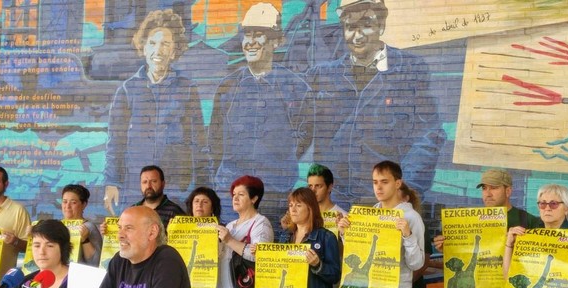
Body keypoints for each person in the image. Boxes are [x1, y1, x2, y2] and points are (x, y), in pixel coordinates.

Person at [306, 0, 444, 205]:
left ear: (381, 25)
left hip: (384, 202)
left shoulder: (409, 70)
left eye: (366, 25)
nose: (358, 35)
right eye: (351, 27)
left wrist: (407, 191)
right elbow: (299, 129)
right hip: (335, 201)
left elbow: (428, 135)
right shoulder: (324, 75)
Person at [208, 2, 313, 220]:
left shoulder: (296, 87)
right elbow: (214, 140)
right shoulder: (228, 87)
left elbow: (304, 135)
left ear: (277, 40)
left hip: (275, 193)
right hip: (232, 195)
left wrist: (278, 162)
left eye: (260, 35)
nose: (251, 42)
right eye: (247, 35)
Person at [103, 9, 208, 215]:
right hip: (136, 187)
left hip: (178, 188)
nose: (158, 50)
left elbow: (199, 144)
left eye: (165, 44)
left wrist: (205, 189)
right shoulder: (127, 89)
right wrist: (112, 182)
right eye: (152, 43)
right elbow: (115, 142)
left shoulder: (187, 88)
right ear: (143, 46)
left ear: (174, 50)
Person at [338, 160, 424, 288]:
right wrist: (345, 234)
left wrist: (408, 236)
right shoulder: (369, 214)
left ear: (397, 184)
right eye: (375, 182)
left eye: (384, 182)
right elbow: (360, 253)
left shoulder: (411, 217)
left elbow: (416, 264)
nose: (378, 187)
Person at [92, 206, 194, 288]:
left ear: (152, 232)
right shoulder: (119, 260)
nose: (120, 235)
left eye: (128, 228)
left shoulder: (167, 259)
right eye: (119, 228)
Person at [433, 169, 542, 252]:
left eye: (494, 188)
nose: (488, 194)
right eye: (484, 188)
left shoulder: (528, 220)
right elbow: (466, 254)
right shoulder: (469, 221)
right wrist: (448, 249)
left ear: (508, 191)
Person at [215, 175, 274, 288]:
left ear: (254, 198)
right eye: (234, 194)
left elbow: (261, 256)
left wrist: (229, 240)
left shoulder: (261, 223)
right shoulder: (230, 225)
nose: (235, 198)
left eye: (241, 194)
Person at [278, 187, 341, 288]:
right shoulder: (285, 236)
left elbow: (335, 276)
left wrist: (318, 265)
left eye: (298, 205)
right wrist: (260, 255)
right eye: (291, 205)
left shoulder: (326, 237)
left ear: (310, 208)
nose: (293, 209)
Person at [503, 184, 568, 276]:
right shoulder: (528, 236)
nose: (547, 208)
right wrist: (509, 245)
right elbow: (508, 277)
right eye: (543, 204)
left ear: (567, 209)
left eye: (553, 204)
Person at [0, 166, 31, 281]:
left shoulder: (19, 211)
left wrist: (15, 241)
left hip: (3, 284)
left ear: (6, 184)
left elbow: (30, 248)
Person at [184, 187, 232, 288]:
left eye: (205, 202)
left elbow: (214, 263)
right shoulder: (181, 230)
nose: (199, 204)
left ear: (212, 208)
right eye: (196, 201)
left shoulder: (221, 231)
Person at [11, 219, 70, 288]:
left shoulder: (77, 282)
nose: (41, 252)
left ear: (63, 248)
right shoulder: (25, 282)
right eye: (37, 245)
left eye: (49, 246)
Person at [399, 183, 432, 288]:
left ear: (406, 199)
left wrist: (407, 283)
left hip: (412, 287)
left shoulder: (416, 221)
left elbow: (425, 259)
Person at [60, 184, 102, 267]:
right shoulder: (56, 226)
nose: (67, 206)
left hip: (79, 277)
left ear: (84, 205)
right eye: (65, 202)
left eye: (73, 202)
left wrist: (85, 240)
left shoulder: (88, 227)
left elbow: (95, 263)